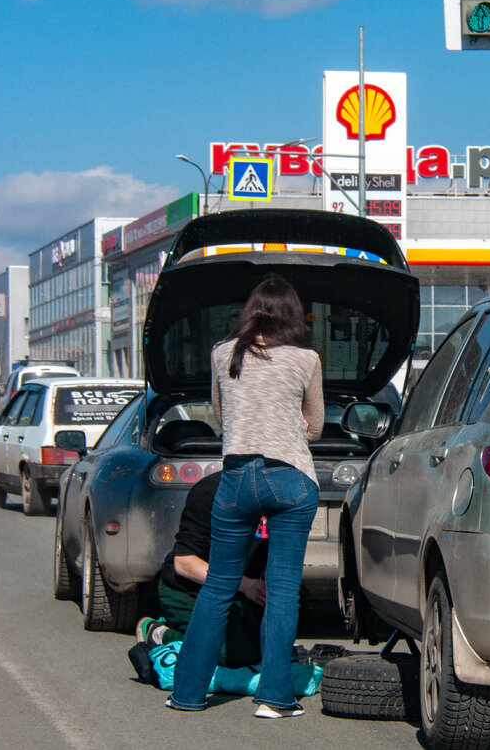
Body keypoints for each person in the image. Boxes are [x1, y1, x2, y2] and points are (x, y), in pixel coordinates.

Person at [167, 274, 324, 720]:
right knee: (282, 589)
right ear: (293, 315)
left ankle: (188, 694)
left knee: (217, 585)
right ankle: (275, 698)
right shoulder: (306, 359)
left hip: (236, 478)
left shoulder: (222, 354)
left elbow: (221, 416)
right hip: (290, 477)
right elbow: (313, 428)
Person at [137, 470, 266, 669]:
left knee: (262, 653)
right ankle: (157, 631)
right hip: (189, 589)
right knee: (233, 657)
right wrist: (245, 585)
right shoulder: (211, 490)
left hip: (236, 593)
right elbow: (184, 563)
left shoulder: (281, 497)